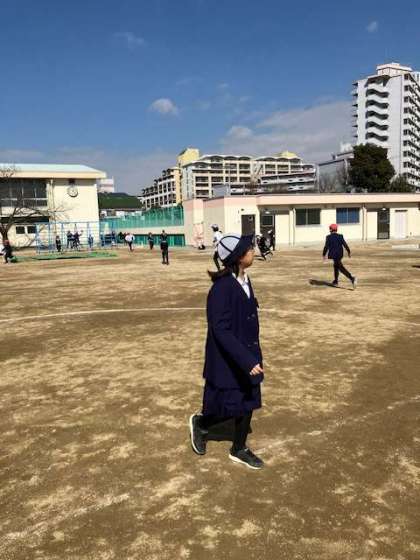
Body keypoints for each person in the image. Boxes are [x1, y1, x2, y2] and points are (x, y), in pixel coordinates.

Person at [189, 233, 265, 470]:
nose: (253, 251)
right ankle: (201, 423)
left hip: (248, 351)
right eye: (248, 249)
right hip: (230, 356)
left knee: (248, 400)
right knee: (227, 403)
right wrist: (245, 360)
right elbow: (220, 330)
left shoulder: (245, 279)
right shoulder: (221, 288)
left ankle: (238, 448)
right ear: (238, 257)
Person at [323, 224, 357, 289]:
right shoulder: (340, 236)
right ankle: (335, 281)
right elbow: (345, 244)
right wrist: (348, 252)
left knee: (340, 268)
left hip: (334, 255)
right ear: (336, 229)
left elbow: (326, 247)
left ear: (330, 230)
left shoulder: (328, 237)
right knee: (336, 266)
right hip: (340, 254)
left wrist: (324, 254)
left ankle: (352, 278)